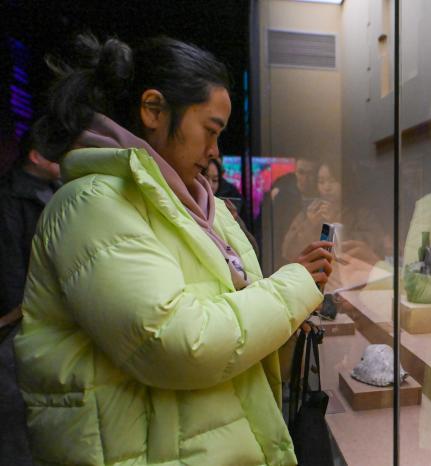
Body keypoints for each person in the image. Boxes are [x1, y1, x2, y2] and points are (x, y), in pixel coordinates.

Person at [14, 34, 332, 466]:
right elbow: (177, 342)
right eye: (210, 130)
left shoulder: (200, 206)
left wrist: (289, 320)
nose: (214, 151)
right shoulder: (93, 204)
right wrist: (292, 288)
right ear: (153, 110)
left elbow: (236, 325)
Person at [0, 126, 59, 466]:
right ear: (35, 156)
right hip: (21, 317)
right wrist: (15, 313)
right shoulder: (12, 196)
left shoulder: (55, 191)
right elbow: (10, 262)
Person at [258, 156, 319, 273]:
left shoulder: (323, 201)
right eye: (301, 172)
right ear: (295, 172)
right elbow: (269, 233)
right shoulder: (283, 197)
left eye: (310, 173)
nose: (305, 178)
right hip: (282, 262)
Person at [205, 158, 259, 258]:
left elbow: (252, 250)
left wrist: (234, 222)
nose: (209, 185)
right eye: (205, 178)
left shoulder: (225, 208)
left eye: (215, 180)